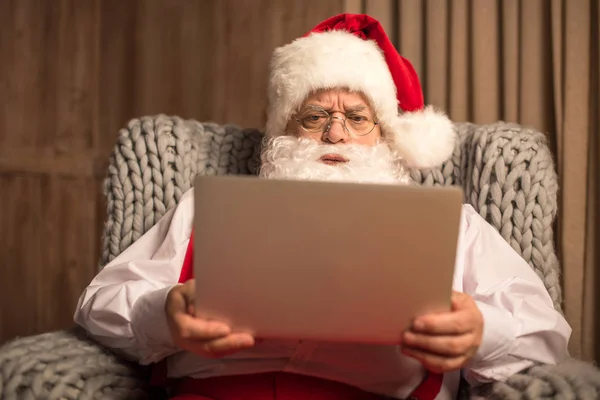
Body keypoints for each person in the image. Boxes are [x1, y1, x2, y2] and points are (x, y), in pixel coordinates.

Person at [74, 13, 571, 400]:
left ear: (387, 137)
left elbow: (546, 334)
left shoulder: (453, 225)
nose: (336, 133)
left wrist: (483, 332)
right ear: (282, 132)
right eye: (314, 116)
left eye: (357, 117)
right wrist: (164, 314)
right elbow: (97, 306)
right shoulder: (204, 207)